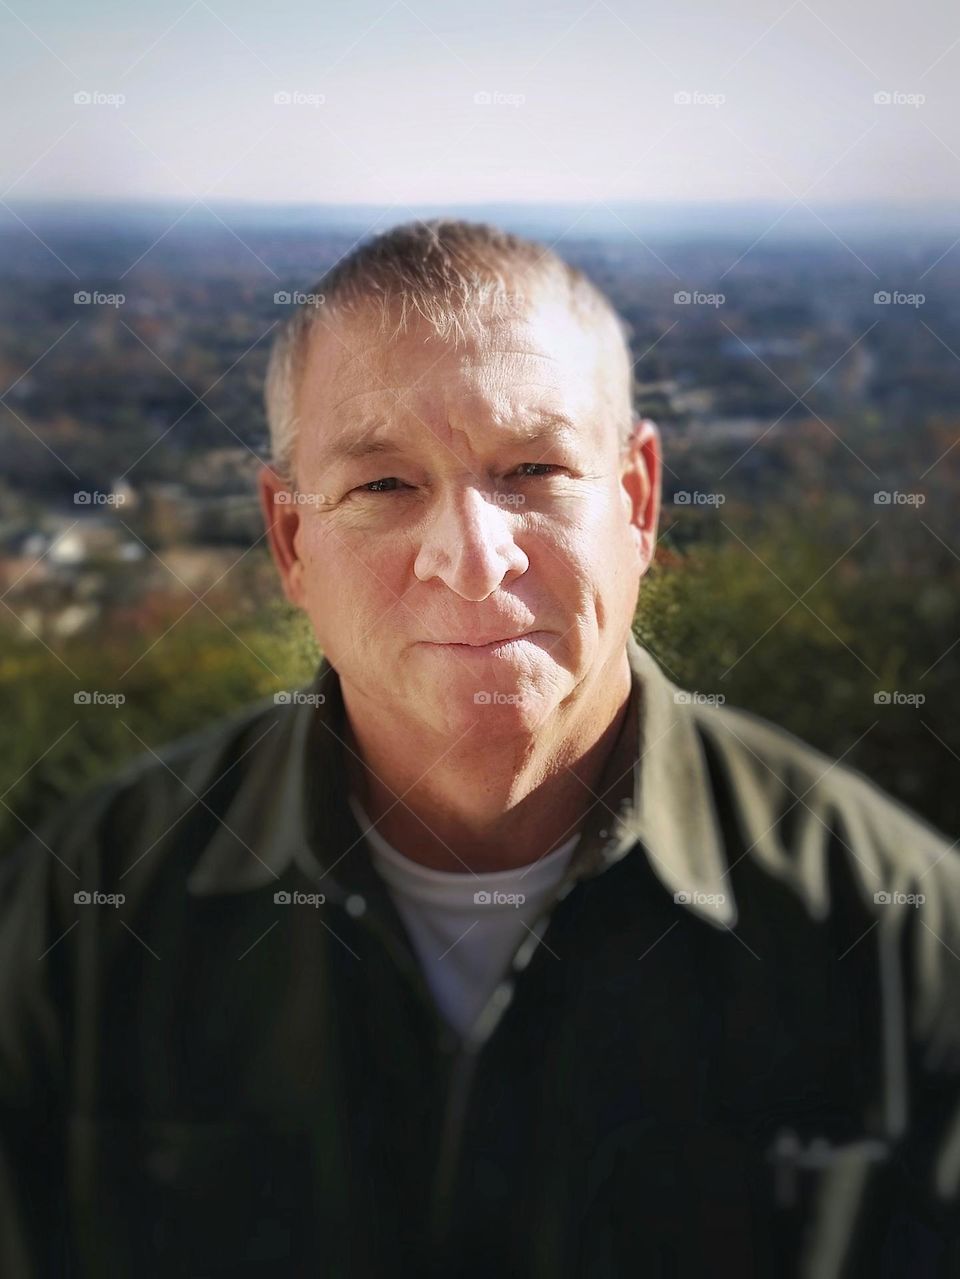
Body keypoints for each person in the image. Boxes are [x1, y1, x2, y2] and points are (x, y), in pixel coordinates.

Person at [2, 218, 959, 1277]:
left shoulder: (897, 927)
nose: (471, 558)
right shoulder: (86, 911)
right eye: (383, 486)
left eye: (535, 468)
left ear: (638, 501)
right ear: (290, 541)